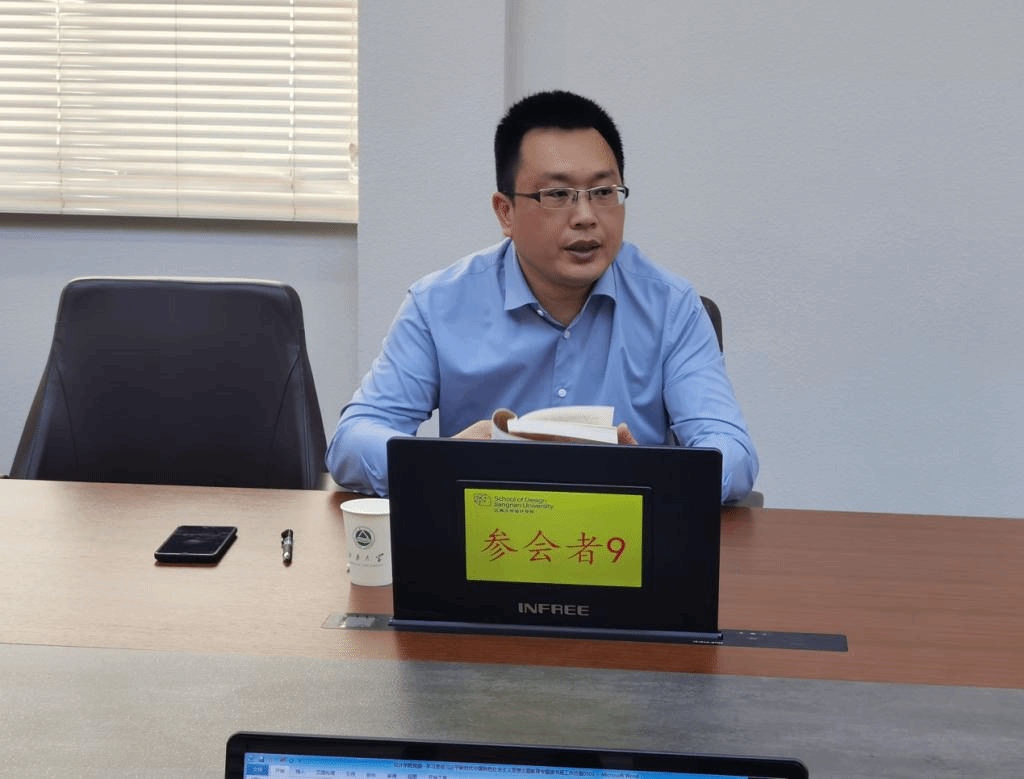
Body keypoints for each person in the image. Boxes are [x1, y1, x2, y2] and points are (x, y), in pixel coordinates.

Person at [327, 90, 758, 502]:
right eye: (557, 195)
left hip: (620, 536)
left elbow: (732, 454)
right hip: (487, 535)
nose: (586, 217)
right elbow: (353, 440)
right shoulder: (438, 304)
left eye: (603, 193)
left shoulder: (671, 307)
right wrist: (445, 461)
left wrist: (646, 472)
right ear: (506, 212)